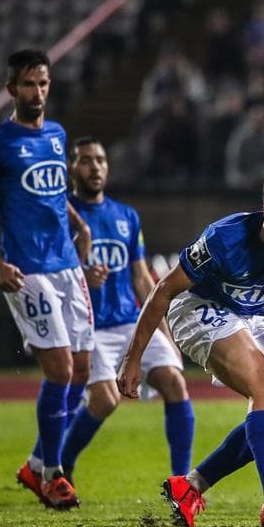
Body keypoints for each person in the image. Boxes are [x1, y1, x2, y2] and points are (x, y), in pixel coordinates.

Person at [116, 169, 264, 527]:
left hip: (247, 317)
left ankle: (190, 487)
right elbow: (163, 291)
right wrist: (133, 358)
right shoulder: (225, 238)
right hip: (196, 310)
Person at [0, 49, 94, 510]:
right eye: (27, 84)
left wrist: (79, 224)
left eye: (42, 83)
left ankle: (36, 463)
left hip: (67, 267)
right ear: (10, 90)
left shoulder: (58, 135)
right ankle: (53, 473)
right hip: (28, 271)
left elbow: (54, 194)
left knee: (82, 370)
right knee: (60, 370)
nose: (37, 92)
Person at [62, 136, 194, 483]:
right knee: (105, 400)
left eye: (101, 160)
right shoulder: (62, 217)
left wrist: (164, 331)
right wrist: (80, 273)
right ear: (71, 169)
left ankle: (182, 483)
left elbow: (141, 278)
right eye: (86, 160)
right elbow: (50, 274)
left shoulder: (126, 216)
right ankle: (61, 464)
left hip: (128, 323)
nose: (95, 167)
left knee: (175, 383)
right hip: (87, 326)